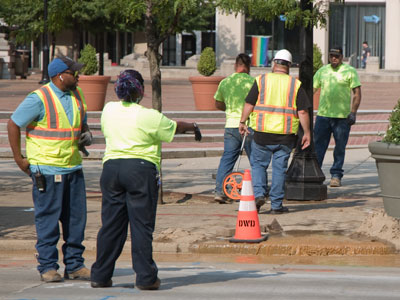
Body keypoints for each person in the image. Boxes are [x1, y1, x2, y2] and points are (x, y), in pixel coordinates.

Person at [90, 69, 202, 290]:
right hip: (139, 171)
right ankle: (145, 278)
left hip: (111, 170)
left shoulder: (109, 110)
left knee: (111, 226)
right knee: (141, 226)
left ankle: (100, 276)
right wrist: (193, 126)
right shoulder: (148, 115)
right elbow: (173, 127)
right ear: (140, 90)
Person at [7, 56, 93, 282]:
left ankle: (74, 265)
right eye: (73, 72)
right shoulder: (39, 98)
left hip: (72, 166)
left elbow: (79, 123)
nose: (77, 76)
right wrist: (19, 159)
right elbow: (13, 123)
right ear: (59, 75)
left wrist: (85, 132)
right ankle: (47, 266)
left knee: (76, 220)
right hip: (46, 169)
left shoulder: (78, 94)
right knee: (48, 221)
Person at [239, 49, 311, 214]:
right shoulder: (295, 84)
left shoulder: (261, 80)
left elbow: (249, 104)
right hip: (285, 136)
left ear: (274, 63)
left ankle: (258, 194)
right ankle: (276, 206)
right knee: (279, 170)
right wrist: (306, 132)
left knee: (258, 166)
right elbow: (303, 112)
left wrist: (242, 121)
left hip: (262, 134)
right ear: (289, 66)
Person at [313, 46, 362, 187]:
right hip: (323, 116)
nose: (334, 58)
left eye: (337, 56)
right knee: (318, 147)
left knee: (340, 147)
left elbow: (357, 93)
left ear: (342, 57)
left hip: (342, 117)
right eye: (331, 56)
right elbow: (312, 89)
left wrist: (353, 112)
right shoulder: (322, 71)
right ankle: (316, 174)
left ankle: (336, 175)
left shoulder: (350, 71)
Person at [214, 53, 255, 203]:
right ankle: (259, 190)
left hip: (231, 126)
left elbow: (217, 103)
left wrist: (230, 109)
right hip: (249, 125)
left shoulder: (225, 82)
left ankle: (220, 191)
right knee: (255, 160)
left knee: (227, 158)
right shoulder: (253, 82)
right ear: (248, 66)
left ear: (235, 65)